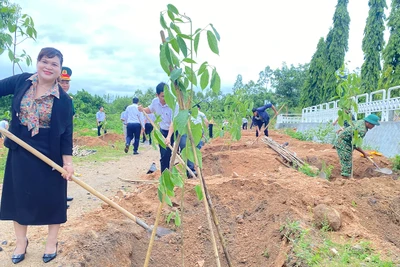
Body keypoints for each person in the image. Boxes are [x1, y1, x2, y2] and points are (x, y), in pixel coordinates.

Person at [0, 47, 74, 264]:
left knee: (54, 199)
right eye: (45, 61)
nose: (48, 67)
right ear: (38, 63)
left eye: (54, 64)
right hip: (20, 148)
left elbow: (67, 134)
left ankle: (52, 242)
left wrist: (67, 163)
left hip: (49, 153)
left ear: (60, 70)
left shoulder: (64, 100)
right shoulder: (21, 81)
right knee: (18, 197)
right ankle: (21, 242)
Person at [139, 82, 179, 173]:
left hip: (176, 130)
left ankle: (189, 172)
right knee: (165, 155)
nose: (165, 98)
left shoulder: (174, 104)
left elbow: (174, 122)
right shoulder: (155, 102)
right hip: (163, 131)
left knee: (183, 146)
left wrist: (169, 137)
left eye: (167, 95)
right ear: (157, 95)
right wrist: (143, 109)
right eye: (163, 96)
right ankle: (165, 175)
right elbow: (149, 110)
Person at [335, 114, 380, 178]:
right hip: (343, 142)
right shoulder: (361, 130)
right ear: (368, 122)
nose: (373, 126)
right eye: (373, 124)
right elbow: (355, 144)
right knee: (347, 161)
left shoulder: (361, 122)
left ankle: (348, 178)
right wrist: (364, 153)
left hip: (347, 141)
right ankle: (345, 180)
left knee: (348, 160)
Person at [59, 66, 75, 207]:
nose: (65, 85)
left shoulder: (69, 100)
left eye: (67, 82)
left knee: (66, 169)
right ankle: (58, 199)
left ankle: (62, 196)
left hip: (65, 138)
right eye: (62, 82)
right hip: (55, 139)